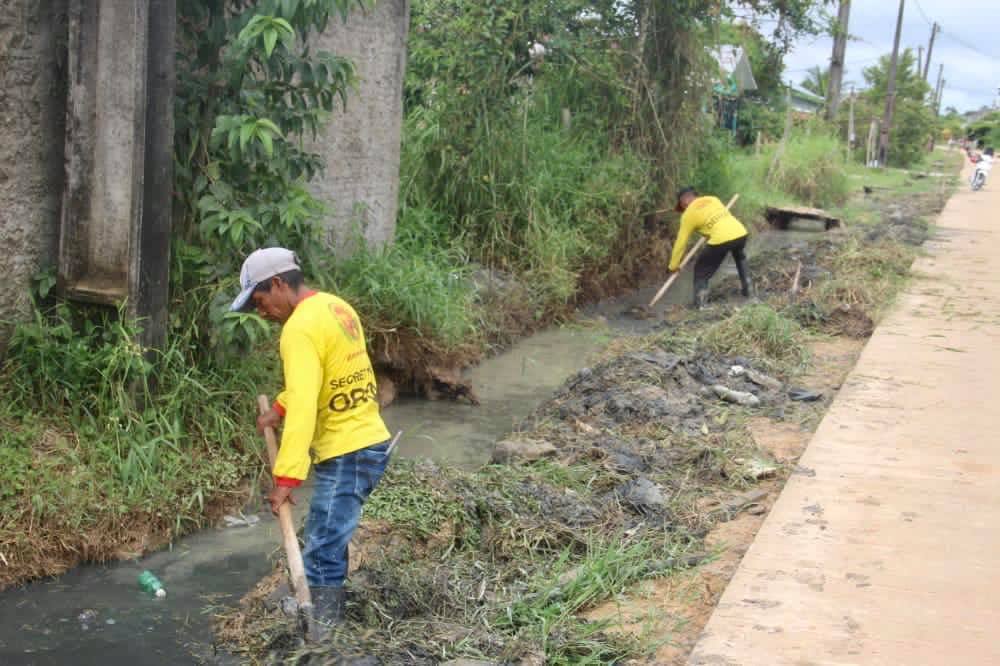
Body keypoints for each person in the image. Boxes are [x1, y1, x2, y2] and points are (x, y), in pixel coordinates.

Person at [230, 247, 392, 629]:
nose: (261, 313)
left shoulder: (298, 329)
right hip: (369, 443)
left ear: (277, 284)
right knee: (329, 538)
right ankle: (325, 621)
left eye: (260, 302)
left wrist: (286, 479)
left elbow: (305, 404)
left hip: (348, 450)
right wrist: (279, 407)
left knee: (321, 548)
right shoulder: (336, 308)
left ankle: (323, 636)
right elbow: (328, 374)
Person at [670, 187, 753, 308]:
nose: (683, 209)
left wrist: (673, 266)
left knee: (701, 270)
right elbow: (721, 220)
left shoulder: (688, 215)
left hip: (721, 239)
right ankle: (749, 291)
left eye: (682, 207)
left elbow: (680, 242)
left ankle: (701, 305)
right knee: (740, 256)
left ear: (684, 201)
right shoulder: (713, 199)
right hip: (740, 232)